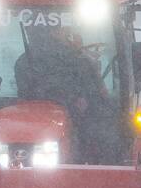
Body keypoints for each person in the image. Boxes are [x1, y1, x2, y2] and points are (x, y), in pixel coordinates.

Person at [14, 22, 125, 163]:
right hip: (69, 121)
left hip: (61, 121)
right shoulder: (78, 61)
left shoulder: (23, 62)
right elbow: (95, 96)